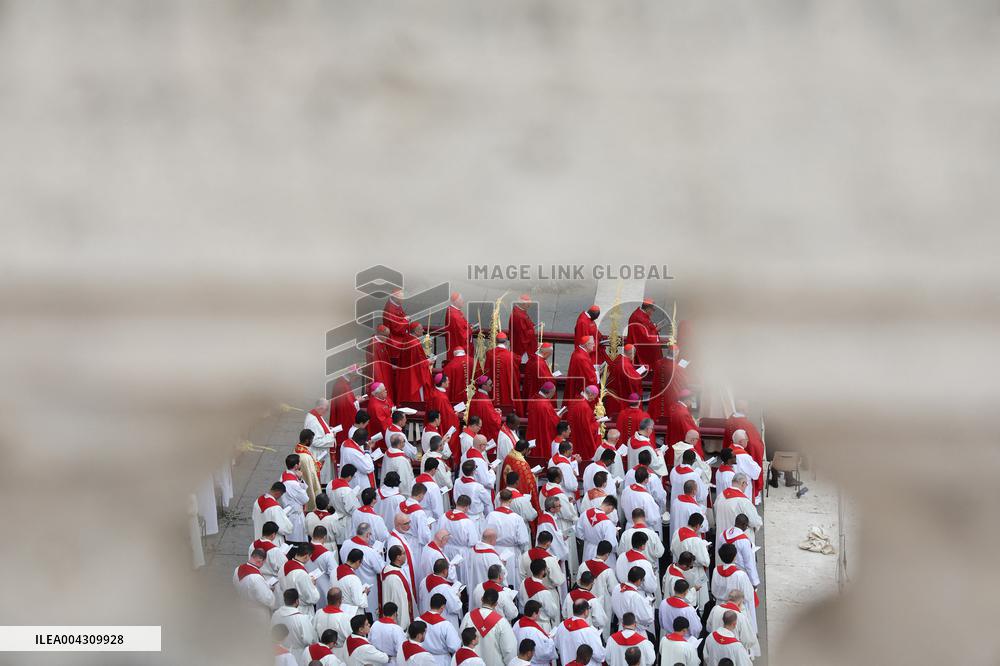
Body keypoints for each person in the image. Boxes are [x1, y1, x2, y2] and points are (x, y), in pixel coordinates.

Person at [484, 490, 530, 587]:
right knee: (511, 579)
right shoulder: (517, 518)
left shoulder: (491, 515)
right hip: (511, 553)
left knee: (496, 576)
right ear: (511, 500)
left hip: (494, 550)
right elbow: (523, 540)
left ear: (500, 499)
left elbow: (485, 534)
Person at [459, 588, 517, 666]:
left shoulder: (468, 616)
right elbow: (509, 650)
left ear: (482, 599)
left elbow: (461, 638)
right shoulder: (501, 622)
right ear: (496, 604)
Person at [340, 524, 386, 617]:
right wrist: (379, 555)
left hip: (348, 582)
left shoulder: (346, 543)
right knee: (369, 611)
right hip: (368, 586)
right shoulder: (370, 551)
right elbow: (380, 569)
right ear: (368, 534)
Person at [712, 544, 758, 634]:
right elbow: (747, 596)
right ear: (735, 556)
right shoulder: (740, 575)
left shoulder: (716, 570)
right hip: (736, 609)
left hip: (720, 606)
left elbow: (714, 590)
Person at [669, 513, 710, 611]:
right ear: (698, 525)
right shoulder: (696, 540)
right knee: (697, 598)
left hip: (680, 568)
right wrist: (705, 548)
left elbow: (672, 548)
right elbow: (706, 561)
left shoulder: (677, 532)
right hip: (695, 571)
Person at [714, 474, 762, 555]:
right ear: (743, 483)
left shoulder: (720, 496)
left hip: (722, 539)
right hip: (738, 541)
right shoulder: (743, 501)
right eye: (746, 484)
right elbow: (755, 521)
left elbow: (716, 514)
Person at [706, 590, 760, 659]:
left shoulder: (715, 609)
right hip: (733, 652)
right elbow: (748, 640)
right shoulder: (740, 617)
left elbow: (708, 627)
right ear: (740, 603)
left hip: (716, 649)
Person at [440, 496, 479, 588]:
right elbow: (473, 541)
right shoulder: (467, 521)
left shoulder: (444, 516)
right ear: (466, 507)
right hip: (462, 553)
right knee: (462, 577)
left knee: (449, 573)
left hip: (446, 549)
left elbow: (439, 533)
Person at [553, 600, 605, 666]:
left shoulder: (561, 626)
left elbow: (557, 645)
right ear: (586, 612)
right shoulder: (589, 631)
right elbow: (600, 655)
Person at [519, 531, 567, 601]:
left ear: (537, 540)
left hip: (530, 592)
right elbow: (558, 580)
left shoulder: (525, 555)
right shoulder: (550, 559)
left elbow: (522, 575)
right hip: (548, 593)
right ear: (548, 544)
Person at [394, 320, 433, 403]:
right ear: (416, 331)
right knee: (417, 398)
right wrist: (429, 361)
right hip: (414, 376)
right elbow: (419, 364)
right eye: (421, 329)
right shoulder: (415, 344)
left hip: (406, 374)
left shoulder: (407, 340)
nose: (423, 330)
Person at [483, 332, 521, 415]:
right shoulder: (512, 356)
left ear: (496, 341)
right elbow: (516, 372)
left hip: (493, 387)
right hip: (507, 387)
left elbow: (487, 371)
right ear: (506, 342)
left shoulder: (489, 354)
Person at [271, 588, 318, 656]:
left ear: (284, 600)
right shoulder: (302, 618)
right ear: (297, 601)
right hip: (298, 655)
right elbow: (310, 639)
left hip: (279, 653)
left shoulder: (276, 614)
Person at [614, 533, 658, 603]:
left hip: (622, 593)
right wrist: (654, 575)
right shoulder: (644, 563)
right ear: (643, 546)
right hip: (639, 596)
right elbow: (651, 587)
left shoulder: (621, 556)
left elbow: (616, 573)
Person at [524, 382, 560, 468]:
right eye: (553, 393)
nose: (553, 395)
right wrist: (558, 417)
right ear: (549, 392)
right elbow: (552, 422)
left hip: (534, 430)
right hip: (543, 433)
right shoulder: (545, 404)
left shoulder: (534, 398)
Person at [499, 442, 540, 517]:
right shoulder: (521, 464)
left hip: (507, 490)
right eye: (528, 449)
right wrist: (533, 476)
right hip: (518, 498)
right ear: (524, 450)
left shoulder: (509, 456)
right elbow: (528, 481)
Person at [419, 558, 463, 628]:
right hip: (442, 622)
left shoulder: (423, 581)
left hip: (426, 620)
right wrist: (458, 596)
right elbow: (455, 607)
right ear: (445, 571)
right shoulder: (444, 587)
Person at [421, 593, 463, 666]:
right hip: (441, 661)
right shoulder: (446, 625)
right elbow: (455, 646)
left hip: (423, 659)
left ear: (430, 604)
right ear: (442, 607)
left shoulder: (418, 620)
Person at [561, 571, 608, 635]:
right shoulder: (593, 600)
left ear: (580, 581)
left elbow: (564, 614)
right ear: (591, 583)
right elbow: (601, 621)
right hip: (586, 633)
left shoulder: (569, 595)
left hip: (571, 631)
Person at [610, 567, 654, 636]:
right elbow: (647, 618)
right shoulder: (634, 596)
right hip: (635, 631)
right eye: (643, 580)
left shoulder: (617, 588)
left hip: (621, 628)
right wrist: (649, 605)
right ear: (639, 580)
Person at [314, 589, 354, 664]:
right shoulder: (344, 617)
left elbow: (314, 633)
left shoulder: (318, 613)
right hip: (339, 654)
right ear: (340, 600)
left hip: (321, 653)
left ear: (327, 599)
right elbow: (350, 637)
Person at [519, 559, 561, 630]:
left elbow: (521, 600)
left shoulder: (524, 582)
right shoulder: (544, 592)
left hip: (527, 623)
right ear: (542, 572)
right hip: (542, 625)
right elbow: (552, 612)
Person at [721, 514, 761, 588]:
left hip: (726, 570)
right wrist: (754, 582)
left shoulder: (724, 534)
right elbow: (749, 562)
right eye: (747, 526)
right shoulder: (743, 540)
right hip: (740, 574)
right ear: (744, 525)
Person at [306, 398, 340, 484]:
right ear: (320, 407)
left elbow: (321, 430)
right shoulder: (312, 421)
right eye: (326, 409)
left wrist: (329, 430)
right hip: (318, 454)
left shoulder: (317, 415)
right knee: (322, 478)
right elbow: (314, 441)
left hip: (322, 453)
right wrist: (331, 437)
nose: (327, 411)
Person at [604, 344, 644, 416]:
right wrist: (638, 376)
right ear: (631, 354)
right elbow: (633, 381)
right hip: (621, 395)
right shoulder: (626, 365)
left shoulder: (619, 358)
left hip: (614, 391)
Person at [381, 545, 415, 627]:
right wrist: (403, 624)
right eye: (404, 553)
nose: (406, 555)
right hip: (398, 621)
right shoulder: (395, 578)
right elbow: (399, 601)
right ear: (398, 557)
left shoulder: (389, 569)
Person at [282, 544, 321, 616]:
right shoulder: (302, 574)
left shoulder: (284, 566)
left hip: (286, 607)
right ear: (306, 556)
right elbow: (313, 598)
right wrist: (312, 585)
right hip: (302, 611)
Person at [426, 376, 460, 458]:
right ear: (443, 383)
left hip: (435, 420)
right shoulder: (442, 398)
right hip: (442, 423)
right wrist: (455, 415)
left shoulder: (434, 391)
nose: (449, 382)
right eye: (447, 381)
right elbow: (447, 415)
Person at [233, 548, 275, 616]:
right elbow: (267, 599)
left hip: (242, 606)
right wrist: (270, 591)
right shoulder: (256, 577)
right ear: (261, 560)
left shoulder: (237, 569)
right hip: (257, 613)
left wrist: (265, 586)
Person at [576, 498, 619, 564]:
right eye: (612, 510)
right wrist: (614, 533)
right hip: (602, 555)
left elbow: (579, 532)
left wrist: (588, 538)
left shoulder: (585, 514)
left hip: (588, 549)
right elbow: (611, 544)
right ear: (610, 507)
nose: (611, 512)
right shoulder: (607, 523)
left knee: (588, 568)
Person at [565, 384, 601, 461]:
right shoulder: (585, 407)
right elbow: (587, 428)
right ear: (590, 394)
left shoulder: (575, 400)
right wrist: (597, 424)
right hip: (582, 439)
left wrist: (592, 419)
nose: (594, 399)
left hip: (573, 434)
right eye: (594, 397)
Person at [513, 601, 556, 666]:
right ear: (534, 614)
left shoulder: (517, 623)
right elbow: (543, 652)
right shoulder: (533, 631)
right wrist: (551, 640)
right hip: (534, 663)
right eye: (539, 612)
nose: (539, 615)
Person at [625, 299, 663, 368]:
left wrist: (654, 327)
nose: (653, 312)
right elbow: (645, 336)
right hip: (638, 347)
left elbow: (647, 327)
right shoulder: (638, 317)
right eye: (653, 310)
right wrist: (656, 330)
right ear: (648, 308)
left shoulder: (641, 314)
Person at [468, 530, 507, 594]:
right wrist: (502, 565)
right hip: (489, 593)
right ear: (492, 540)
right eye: (495, 539)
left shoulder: (472, 550)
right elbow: (500, 575)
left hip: (475, 589)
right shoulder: (492, 556)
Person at [307, 526, 339, 603]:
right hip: (324, 588)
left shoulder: (304, 550)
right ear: (324, 537)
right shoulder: (327, 554)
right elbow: (334, 573)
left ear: (313, 535)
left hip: (307, 586)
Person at [669, 480, 706, 544]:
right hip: (688, 540)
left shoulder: (675, 501)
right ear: (694, 491)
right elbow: (702, 526)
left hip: (676, 537)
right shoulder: (694, 507)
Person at [521, 343, 556, 410]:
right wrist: (552, 378)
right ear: (546, 353)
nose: (548, 357)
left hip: (530, 387)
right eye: (549, 355)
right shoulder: (540, 364)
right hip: (536, 391)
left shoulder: (532, 358)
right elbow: (546, 381)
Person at [468, 376, 502, 443]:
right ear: (484, 386)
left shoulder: (476, 395)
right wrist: (498, 414)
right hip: (484, 431)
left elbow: (485, 411)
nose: (492, 386)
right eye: (490, 385)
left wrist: (493, 411)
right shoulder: (484, 400)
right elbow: (493, 420)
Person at [564, 336, 599, 401]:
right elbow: (589, 378)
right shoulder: (582, 358)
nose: (594, 345)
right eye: (592, 343)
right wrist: (597, 376)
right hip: (580, 388)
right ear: (587, 344)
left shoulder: (579, 351)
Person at [508, 294, 538, 363]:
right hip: (522, 350)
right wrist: (533, 331)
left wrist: (532, 326)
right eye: (528, 304)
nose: (529, 306)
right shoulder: (519, 316)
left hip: (517, 345)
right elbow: (523, 335)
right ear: (523, 304)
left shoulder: (519, 312)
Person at [366, 383, 395, 453]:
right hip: (380, 434)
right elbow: (382, 424)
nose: (386, 391)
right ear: (377, 394)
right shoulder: (375, 406)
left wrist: (392, 410)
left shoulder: (384, 398)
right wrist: (394, 417)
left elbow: (391, 405)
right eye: (383, 390)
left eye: (385, 389)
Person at [444, 292, 471, 362]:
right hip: (457, 343)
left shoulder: (453, 311)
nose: (463, 301)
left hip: (454, 342)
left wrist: (468, 326)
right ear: (456, 301)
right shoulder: (454, 314)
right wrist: (470, 329)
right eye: (461, 300)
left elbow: (461, 326)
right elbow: (461, 332)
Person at [495, 413, 520, 483]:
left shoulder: (509, 429)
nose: (518, 426)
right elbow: (508, 456)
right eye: (516, 424)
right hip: (507, 467)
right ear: (510, 424)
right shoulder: (505, 438)